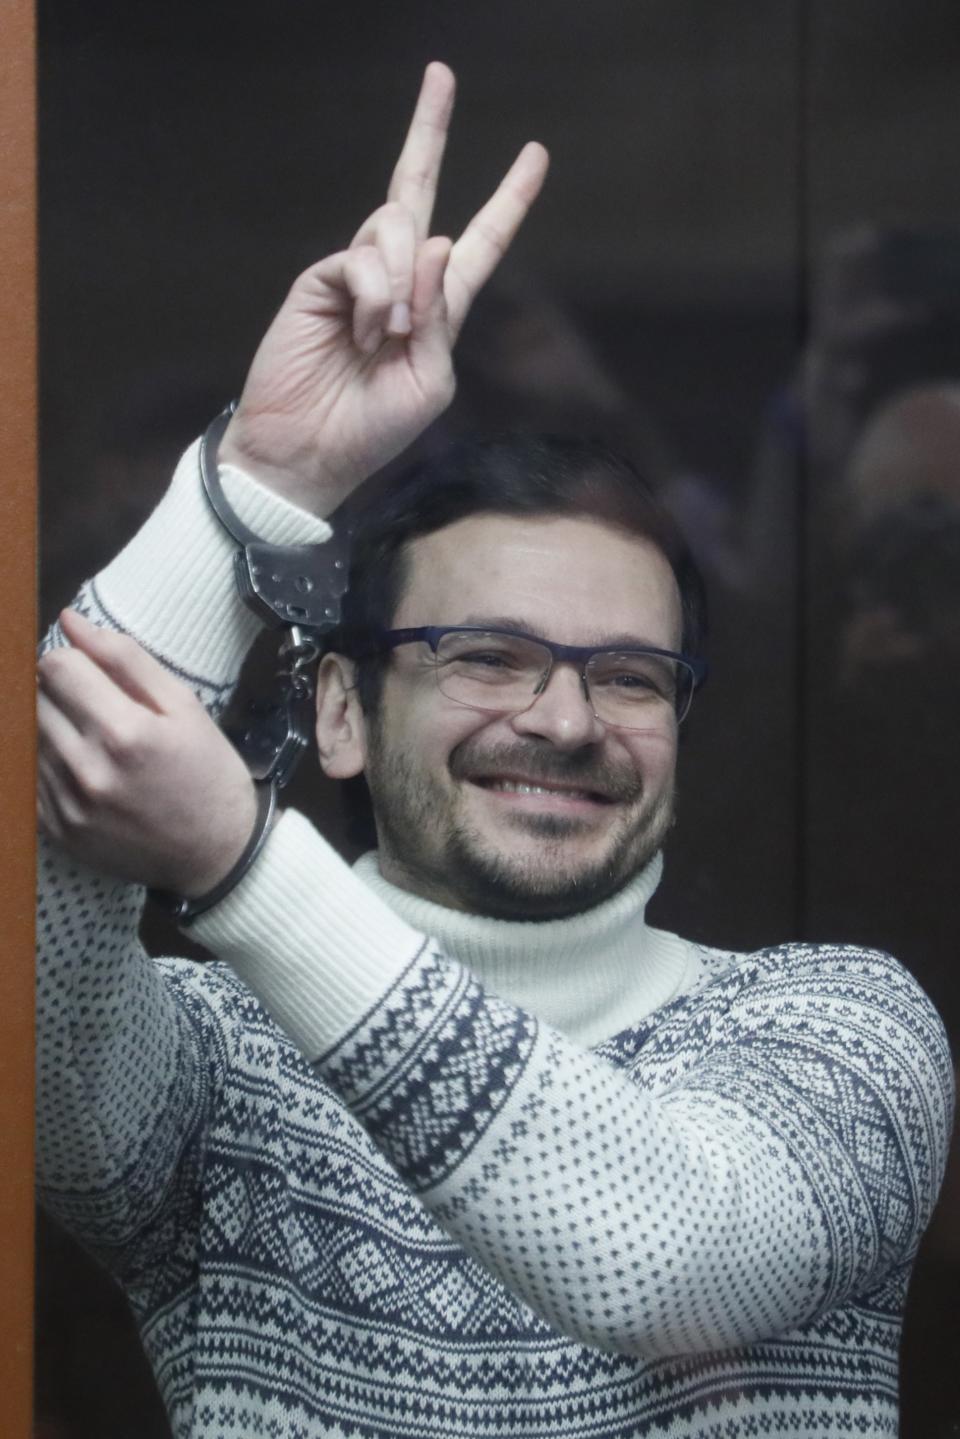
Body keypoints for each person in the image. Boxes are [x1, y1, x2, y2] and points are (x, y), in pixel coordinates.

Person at [36, 62, 952, 1439]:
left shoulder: (839, 1031)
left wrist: (242, 867)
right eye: (486, 656)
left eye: (629, 677)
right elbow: (47, 871)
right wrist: (265, 485)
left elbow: (662, 1261)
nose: (566, 722)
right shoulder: (214, 1072)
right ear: (338, 710)